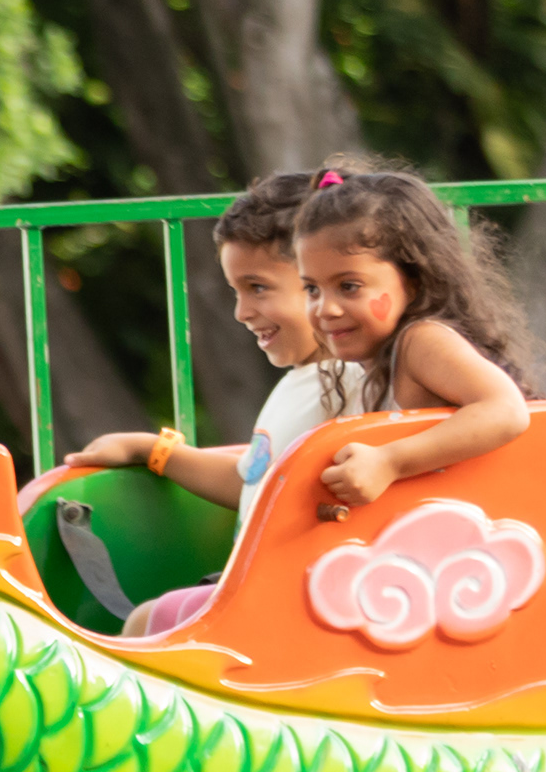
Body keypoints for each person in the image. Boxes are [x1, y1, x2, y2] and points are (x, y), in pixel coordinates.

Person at [59, 167, 359, 634]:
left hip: (301, 598)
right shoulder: (305, 380)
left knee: (143, 623)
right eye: (236, 292)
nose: (241, 312)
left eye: (257, 288)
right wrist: (153, 451)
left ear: (319, 279)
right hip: (266, 585)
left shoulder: (354, 380)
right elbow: (252, 485)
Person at [288, 164, 538, 509]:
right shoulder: (374, 362)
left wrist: (389, 461)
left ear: (414, 281)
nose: (325, 308)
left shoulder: (420, 342)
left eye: (349, 286)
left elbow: (506, 410)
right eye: (312, 289)